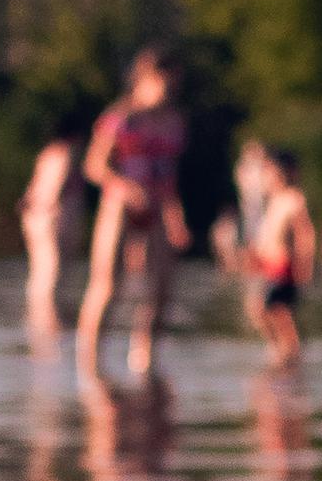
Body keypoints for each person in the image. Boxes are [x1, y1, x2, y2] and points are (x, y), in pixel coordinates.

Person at [73, 48, 193, 379]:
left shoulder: (174, 123)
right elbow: (94, 166)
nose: (168, 90)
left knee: (162, 287)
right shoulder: (121, 118)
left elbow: (170, 178)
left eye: (173, 84)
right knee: (106, 284)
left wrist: (175, 218)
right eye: (162, 82)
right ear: (143, 80)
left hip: (157, 207)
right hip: (120, 206)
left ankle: (145, 361)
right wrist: (126, 188)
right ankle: (90, 362)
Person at [240, 148, 317, 365]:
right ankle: (281, 349)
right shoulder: (273, 200)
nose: (266, 177)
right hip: (268, 264)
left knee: (277, 312)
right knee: (265, 311)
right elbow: (267, 233)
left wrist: (305, 263)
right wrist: (254, 255)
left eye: (270, 172)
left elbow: (305, 234)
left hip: (284, 265)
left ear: (284, 173)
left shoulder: (294, 198)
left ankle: (291, 352)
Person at [18, 125, 84, 334]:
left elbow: (32, 189)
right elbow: (59, 184)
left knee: (39, 269)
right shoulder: (65, 153)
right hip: (54, 215)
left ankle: (37, 317)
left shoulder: (45, 154)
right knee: (54, 269)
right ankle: (51, 320)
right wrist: (52, 206)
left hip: (34, 215)